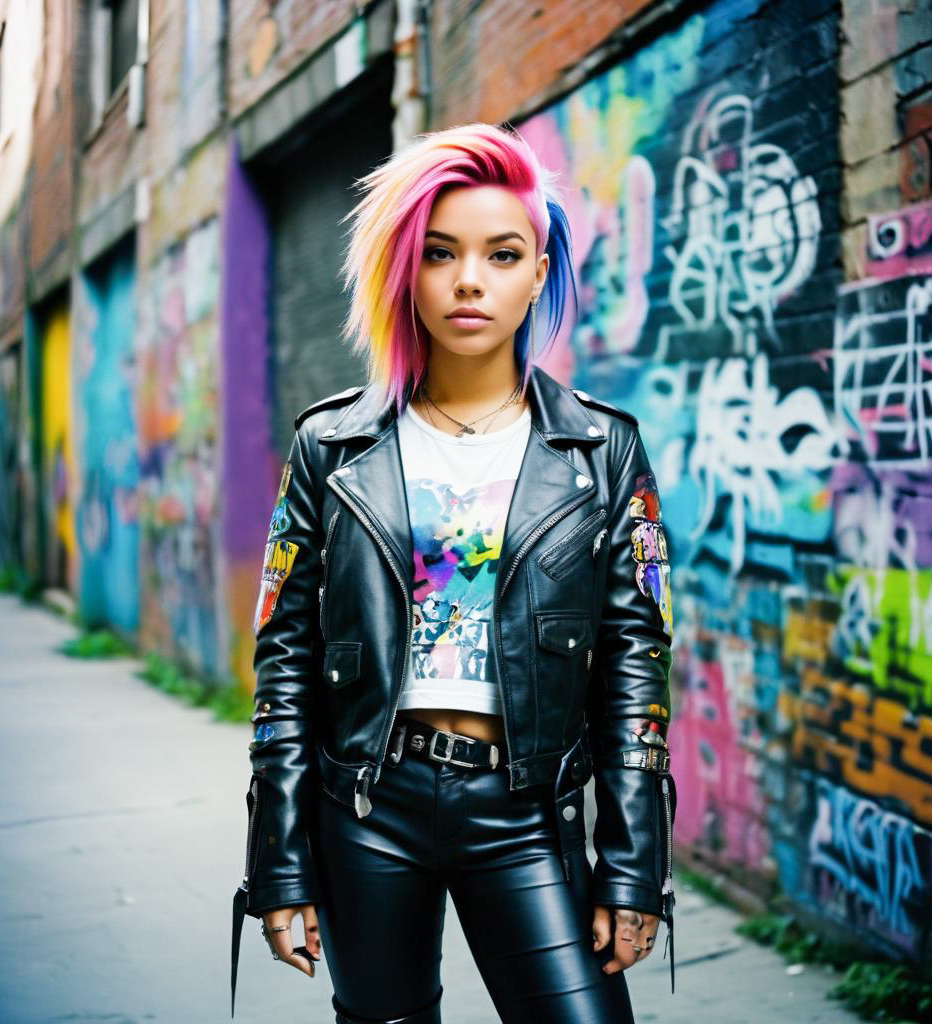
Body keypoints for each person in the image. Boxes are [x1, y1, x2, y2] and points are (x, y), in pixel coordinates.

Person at [230, 122, 677, 1023]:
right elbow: (284, 662)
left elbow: (636, 661)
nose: (470, 280)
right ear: (407, 270)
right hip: (366, 806)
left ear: (538, 273)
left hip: (526, 809)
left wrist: (633, 866)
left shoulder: (602, 449)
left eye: (502, 254)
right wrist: (278, 862)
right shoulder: (333, 446)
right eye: (440, 254)